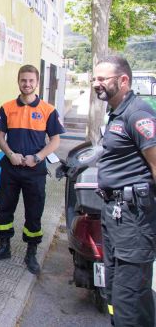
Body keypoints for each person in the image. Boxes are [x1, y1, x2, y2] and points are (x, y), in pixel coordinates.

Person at [92, 55, 156, 326]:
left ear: (123, 80)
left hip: (134, 220)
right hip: (115, 215)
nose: (96, 84)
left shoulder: (138, 114)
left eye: (102, 78)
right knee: (116, 292)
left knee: (128, 298)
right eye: (94, 78)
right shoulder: (116, 113)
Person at [0, 64, 64, 275]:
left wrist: (37, 157)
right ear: (18, 81)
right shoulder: (7, 107)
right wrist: (10, 154)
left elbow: (55, 140)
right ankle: (4, 247)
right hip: (11, 170)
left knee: (34, 213)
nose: (27, 84)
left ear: (37, 82)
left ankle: (31, 252)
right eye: (23, 80)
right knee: (4, 210)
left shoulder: (48, 110)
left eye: (30, 80)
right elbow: (0, 137)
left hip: (35, 172)